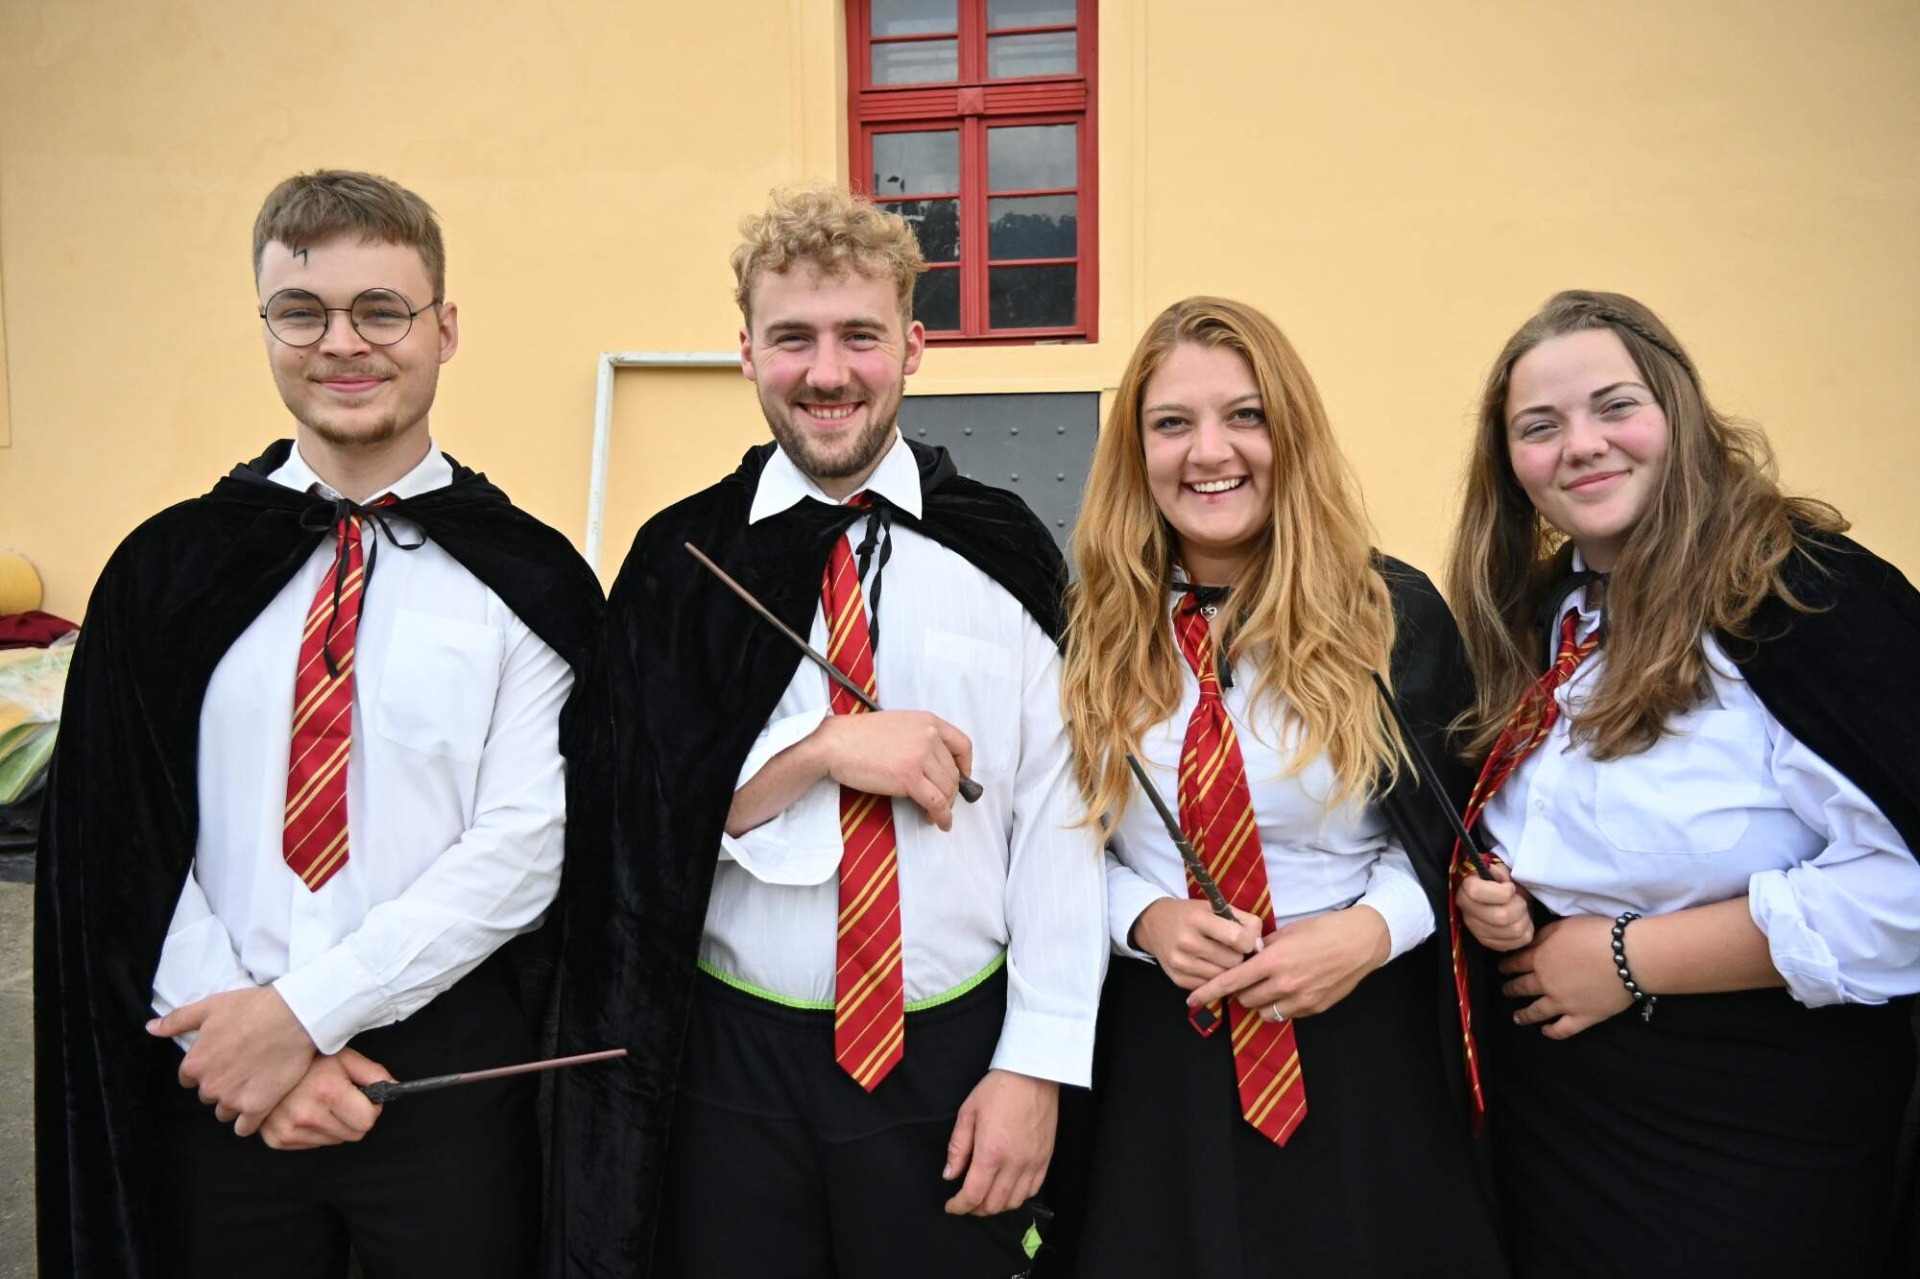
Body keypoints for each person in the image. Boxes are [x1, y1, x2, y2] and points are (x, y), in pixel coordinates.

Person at [34, 169, 602, 1278]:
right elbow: (120, 830)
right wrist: (237, 1037)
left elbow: (528, 844)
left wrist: (303, 1017)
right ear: (266, 328)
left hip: (444, 1084)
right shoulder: (167, 570)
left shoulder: (529, 578)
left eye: (381, 309)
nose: (343, 343)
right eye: (302, 311)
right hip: (211, 1071)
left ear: (444, 329)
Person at [548, 183, 1107, 1278]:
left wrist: (1034, 1064)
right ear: (747, 353)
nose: (828, 372)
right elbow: (628, 817)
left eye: (860, 335)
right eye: (792, 338)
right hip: (731, 1063)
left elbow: (1063, 822)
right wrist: (819, 753)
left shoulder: (1003, 550)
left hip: (956, 1055)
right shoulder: (680, 560)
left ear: (914, 347)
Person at [1447, 289, 1920, 1278]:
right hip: (1558, 1133)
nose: (1582, 445)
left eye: (1615, 406)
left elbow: (1905, 894)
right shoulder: (1537, 620)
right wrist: (1501, 897)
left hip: (1753, 1136)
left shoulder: (1807, 598)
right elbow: (1545, 824)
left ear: (1679, 412)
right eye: (1540, 426)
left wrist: (1630, 957)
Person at [1053, 296, 1506, 1277]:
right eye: (1172, 423)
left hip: (1363, 1035)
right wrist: (1142, 919)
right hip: (1160, 1045)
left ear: (1289, 431)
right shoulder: (1089, 628)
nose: (1209, 451)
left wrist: (1369, 931)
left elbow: (1458, 828)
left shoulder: (1388, 613)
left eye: (1245, 415)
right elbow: (1055, 836)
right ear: (1136, 450)